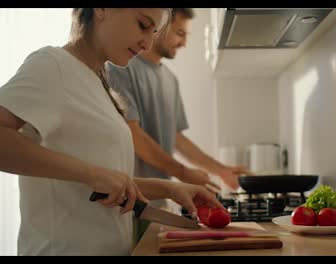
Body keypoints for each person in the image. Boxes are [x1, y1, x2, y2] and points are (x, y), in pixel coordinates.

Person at [0, 8, 223, 256]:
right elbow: (92, 175)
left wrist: (169, 189)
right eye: (142, 24)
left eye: (154, 32)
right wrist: (90, 173)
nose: (148, 43)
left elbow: (104, 184)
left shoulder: (99, 82)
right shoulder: (52, 65)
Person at [106, 8, 252, 240]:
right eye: (180, 33)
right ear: (160, 26)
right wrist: (182, 172)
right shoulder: (119, 68)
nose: (184, 42)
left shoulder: (169, 79)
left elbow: (174, 137)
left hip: (161, 203)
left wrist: (220, 170)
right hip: (130, 203)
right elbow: (132, 134)